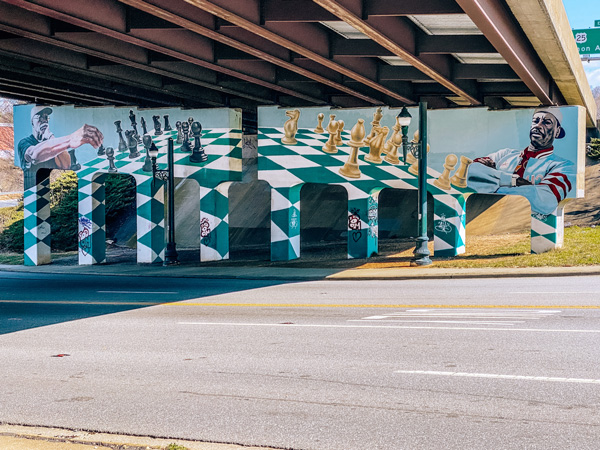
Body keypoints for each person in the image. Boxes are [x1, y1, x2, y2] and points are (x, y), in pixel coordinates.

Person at [467, 107, 575, 216]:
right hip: (487, 220)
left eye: (546, 122)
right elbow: (470, 171)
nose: (538, 125)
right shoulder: (504, 154)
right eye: (535, 121)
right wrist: (514, 181)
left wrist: (489, 185)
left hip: (529, 227)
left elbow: (545, 201)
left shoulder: (563, 166)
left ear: (557, 131)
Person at [17, 106, 104, 189]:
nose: (43, 120)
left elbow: (66, 165)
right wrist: (71, 139)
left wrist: (51, 136)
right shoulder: (24, 143)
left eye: (46, 117)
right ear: (32, 122)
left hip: (47, 192)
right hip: (31, 193)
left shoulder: (53, 143)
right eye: (39, 117)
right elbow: (34, 155)